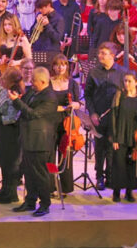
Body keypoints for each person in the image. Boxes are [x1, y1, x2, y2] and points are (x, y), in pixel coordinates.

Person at [9, 67, 59, 217]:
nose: (31, 83)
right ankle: (30, 201)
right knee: (29, 173)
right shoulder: (33, 92)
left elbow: (33, 114)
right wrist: (16, 98)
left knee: (40, 174)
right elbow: (23, 104)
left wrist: (17, 101)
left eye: (34, 81)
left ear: (43, 81)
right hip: (28, 138)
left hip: (40, 142)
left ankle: (45, 204)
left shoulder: (50, 97)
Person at [85, 42, 128, 190]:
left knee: (112, 147)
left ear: (113, 56)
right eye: (99, 53)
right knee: (99, 148)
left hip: (115, 117)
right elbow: (88, 95)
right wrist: (92, 113)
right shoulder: (93, 72)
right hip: (98, 115)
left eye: (103, 53)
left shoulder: (123, 72)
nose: (100, 56)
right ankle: (99, 177)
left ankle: (110, 176)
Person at [108, 71, 137, 203]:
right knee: (119, 163)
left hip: (135, 135)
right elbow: (113, 116)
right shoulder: (120, 95)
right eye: (125, 81)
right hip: (121, 133)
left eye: (129, 81)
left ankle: (129, 191)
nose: (127, 83)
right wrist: (114, 138)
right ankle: (116, 192)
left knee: (132, 164)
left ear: (136, 82)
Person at [0, 67, 24, 204]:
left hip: (11, 132)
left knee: (10, 163)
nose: (1, 79)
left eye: (4, 78)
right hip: (1, 130)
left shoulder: (15, 93)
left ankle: (11, 193)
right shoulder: (2, 89)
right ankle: (4, 189)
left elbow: (12, 118)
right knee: (2, 160)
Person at [49, 54, 81, 196]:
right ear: (53, 66)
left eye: (63, 64)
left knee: (65, 155)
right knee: (50, 155)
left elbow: (79, 103)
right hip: (51, 122)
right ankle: (50, 187)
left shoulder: (73, 84)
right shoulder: (48, 82)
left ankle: (65, 188)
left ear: (67, 66)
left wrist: (75, 104)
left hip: (67, 123)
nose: (60, 67)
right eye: (57, 64)